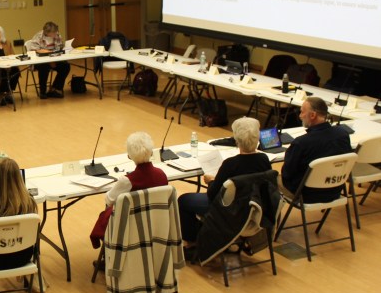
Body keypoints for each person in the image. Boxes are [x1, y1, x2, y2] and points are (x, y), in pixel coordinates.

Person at [177, 117, 271, 251]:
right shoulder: (264, 159)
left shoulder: (230, 164)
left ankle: (193, 240)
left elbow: (212, 194)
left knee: (183, 200)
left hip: (228, 211)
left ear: (236, 140)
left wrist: (211, 181)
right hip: (254, 209)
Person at [90, 131, 169, 250]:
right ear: (152, 152)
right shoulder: (161, 174)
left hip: (131, 226)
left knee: (107, 211)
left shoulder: (126, 181)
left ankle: (109, 253)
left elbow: (109, 200)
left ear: (129, 155)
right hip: (157, 223)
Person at [281, 96, 352, 203]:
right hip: (335, 190)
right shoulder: (343, 135)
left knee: (268, 179)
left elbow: (287, 174)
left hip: (306, 195)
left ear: (313, 115)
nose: (300, 116)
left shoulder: (301, 143)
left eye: (302, 112)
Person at [25, 21, 70, 99]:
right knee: (44, 67)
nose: (56, 33)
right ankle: (42, 92)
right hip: (39, 61)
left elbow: (59, 48)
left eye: (56, 32)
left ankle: (54, 89)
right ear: (47, 32)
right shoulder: (38, 36)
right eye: (53, 32)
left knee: (66, 66)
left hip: (54, 59)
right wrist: (49, 59)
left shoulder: (57, 35)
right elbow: (34, 51)